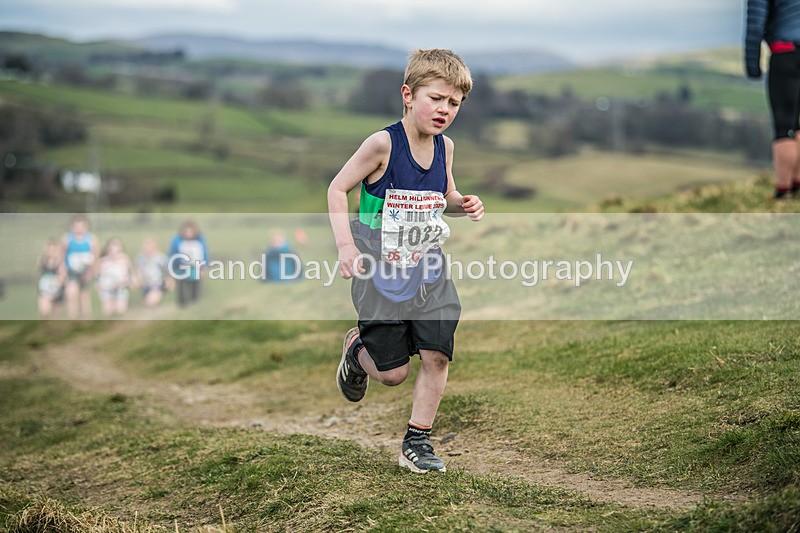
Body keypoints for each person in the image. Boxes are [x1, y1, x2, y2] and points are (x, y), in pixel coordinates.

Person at [328, 49, 484, 473]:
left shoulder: (445, 148)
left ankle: (417, 442)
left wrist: (461, 203)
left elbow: (442, 197)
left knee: (437, 354)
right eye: (436, 98)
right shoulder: (382, 144)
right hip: (379, 270)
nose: (444, 110)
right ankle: (355, 348)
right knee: (393, 373)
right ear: (408, 95)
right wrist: (346, 247)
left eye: (454, 103)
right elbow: (337, 189)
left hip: (428, 267)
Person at [745, 0, 800, 199]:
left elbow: (755, 23)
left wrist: (752, 65)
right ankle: (797, 184)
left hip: (785, 54)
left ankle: (782, 191)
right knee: (798, 125)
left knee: (784, 125)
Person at [62, 215, 99, 319]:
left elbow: (95, 256)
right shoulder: (67, 238)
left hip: (85, 272)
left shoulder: (91, 239)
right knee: (71, 294)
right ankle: (72, 319)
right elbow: (62, 255)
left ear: (86, 227)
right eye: (76, 226)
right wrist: (63, 270)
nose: (79, 229)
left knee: (84, 296)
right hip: (72, 271)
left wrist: (91, 272)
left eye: (81, 226)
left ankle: (86, 318)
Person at [168, 220, 208, 307]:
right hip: (181, 268)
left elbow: (204, 255)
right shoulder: (178, 241)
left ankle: (195, 305)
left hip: (195, 268)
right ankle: (182, 305)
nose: (188, 233)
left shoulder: (199, 242)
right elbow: (172, 255)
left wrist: (204, 267)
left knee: (195, 288)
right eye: (186, 231)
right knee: (181, 289)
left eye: (191, 231)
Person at [96, 237, 134, 317]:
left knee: (120, 311)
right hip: (107, 289)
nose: (114, 253)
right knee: (108, 312)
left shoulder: (125, 260)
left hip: (121, 289)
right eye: (111, 251)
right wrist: (99, 284)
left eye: (117, 251)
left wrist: (129, 281)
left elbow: (131, 274)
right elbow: (98, 276)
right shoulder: (103, 262)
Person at [136, 236, 171, 308]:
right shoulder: (140, 258)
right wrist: (138, 280)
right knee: (147, 302)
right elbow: (138, 270)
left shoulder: (160, 258)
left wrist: (169, 280)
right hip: (145, 285)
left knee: (151, 301)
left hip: (157, 285)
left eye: (150, 245)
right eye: (146, 245)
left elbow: (169, 270)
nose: (147, 248)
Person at [37, 238, 65, 319]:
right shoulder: (42, 261)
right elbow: (38, 273)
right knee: (44, 312)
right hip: (45, 290)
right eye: (49, 249)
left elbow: (63, 275)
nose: (51, 252)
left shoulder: (60, 262)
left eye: (53, 249)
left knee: (56, 315)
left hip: (57, 290)